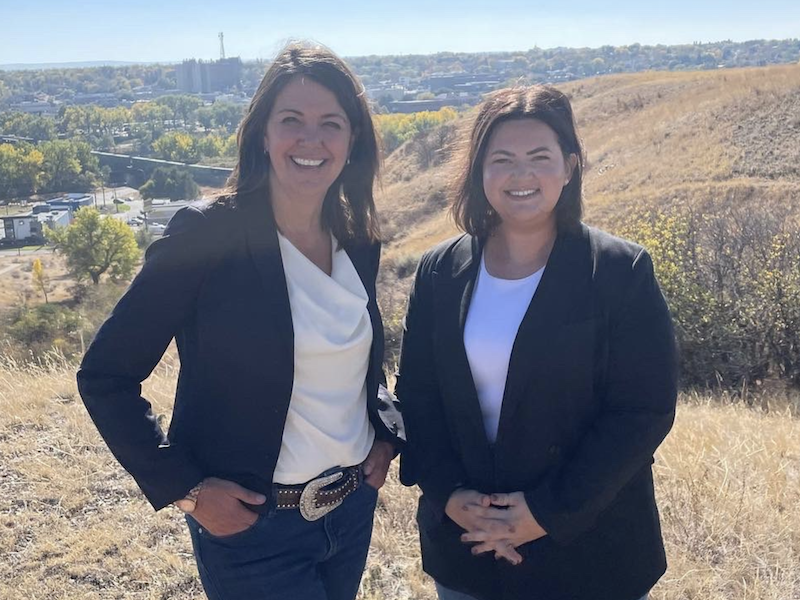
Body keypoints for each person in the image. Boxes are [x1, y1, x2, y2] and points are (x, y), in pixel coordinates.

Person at [77, 42, 403, 600]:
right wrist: (186, 489)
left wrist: (386, 432)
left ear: (352, 143)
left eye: (331, 123)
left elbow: (357, 361)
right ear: (261, 134)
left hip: (350, 512)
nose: (311, 139)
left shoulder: (356, 238)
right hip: (254, 528)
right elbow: (105, 374)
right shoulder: (208, 234)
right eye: (291, 121)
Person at [396, 85, 678, 600]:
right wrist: (450, 494)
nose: (521, 175)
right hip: (469, 549)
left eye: (539, 157)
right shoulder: (441, 271)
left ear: (569, 166)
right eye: (501, 158)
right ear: (479, 171)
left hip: (590, 552)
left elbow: (643, 411)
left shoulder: (619, 271)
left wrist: (546, 513)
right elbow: (417, 396)